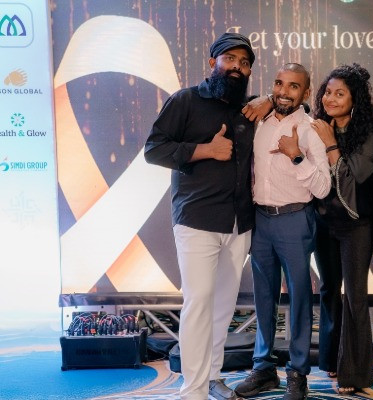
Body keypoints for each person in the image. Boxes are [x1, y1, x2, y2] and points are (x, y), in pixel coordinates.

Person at [144, 33, 258, 400]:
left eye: (244, 63)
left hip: (239, 222)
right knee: (199, 303)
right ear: (213, 63)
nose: (237, 67)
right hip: (196, 219)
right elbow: (153, 149)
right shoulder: (185, 100)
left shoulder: (249, 110)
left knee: (223, 307)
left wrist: (269, 100)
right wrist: (205, 150)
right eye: (230, 59)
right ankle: (191, 390)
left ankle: (212, 377)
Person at [234, 63, 331, 400]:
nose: (283, 92)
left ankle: (298, 372)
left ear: (306, 92)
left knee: (300, 298)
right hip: (260, 219)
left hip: (295, 218)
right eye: (279, 83)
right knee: (263, 297)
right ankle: (263, 369)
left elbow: (323, 187)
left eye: (293, 86)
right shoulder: (259, 122)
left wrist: (296, 156)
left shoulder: (310, 130)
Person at [310, 63, 373, 394]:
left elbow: (353, 179)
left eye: (340, 94)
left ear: (355, 101)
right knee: (328, 291)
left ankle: (354, 374)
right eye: (327, 92)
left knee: (354, 296)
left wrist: (329, 144)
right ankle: (330, 361)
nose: (331, 99)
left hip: (356, 224)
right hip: (323, 222)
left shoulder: (367, 135)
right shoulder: (316, 127)